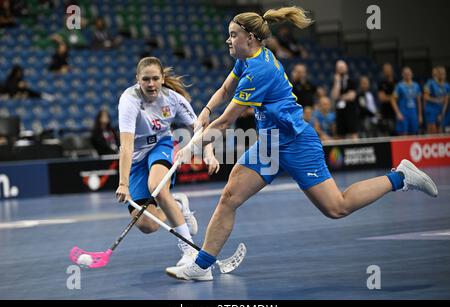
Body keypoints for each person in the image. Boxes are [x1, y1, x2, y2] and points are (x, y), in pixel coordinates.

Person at [165, 6, 438, 281]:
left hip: (296, 142)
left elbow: (226, 123)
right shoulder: (248, 57)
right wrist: (206, 111)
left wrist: (191, 147)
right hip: (268, 142)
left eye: (233, 35)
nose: (228, 40)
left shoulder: (259, 70)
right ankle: (201, 267)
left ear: (249, 38)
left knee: (337, 207)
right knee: (229, 198)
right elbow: (225, 90)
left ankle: (400, 177)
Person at [114, 57, 220, 267]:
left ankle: (189, 250)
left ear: (162, 78)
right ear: (138, 79)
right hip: (136, 155)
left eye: (155, 78)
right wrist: (123, 184)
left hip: (161, 145)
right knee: (147, 225)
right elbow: (126, 145)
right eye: (146, 79)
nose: (151, 84)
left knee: (157, 187)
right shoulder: (129, 100)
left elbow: (198, 127)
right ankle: (179, 207)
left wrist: (208, 152)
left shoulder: (174, 99)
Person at [391, 67, 422, 135]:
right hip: (403, 113)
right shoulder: (399, 86)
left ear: (412, 74)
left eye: (409, 73)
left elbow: (419, 101)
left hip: (413, 113)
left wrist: (420, 115)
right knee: (403, 134)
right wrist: (398, 113)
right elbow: (393, 100)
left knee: (414, 133)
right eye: (405, 73)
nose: (407, 75)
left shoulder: (416, 85)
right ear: (403, 75)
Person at [331, 60, 358, 140]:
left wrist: (340, 97)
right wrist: (338, 81)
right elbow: (335, 96)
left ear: (346, 68)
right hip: (339, 111)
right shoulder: (335, 81)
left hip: (350, 111)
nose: (341, 69)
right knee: (340, 135)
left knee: (353, 133)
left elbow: (352, 96)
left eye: (342, 67)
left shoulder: (351, 81)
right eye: (339, 68)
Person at [424, 66, 449, 134]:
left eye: (444, 73)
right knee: (432, 131)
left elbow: (446, 100)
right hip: (431, 110)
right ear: (437, 74)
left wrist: (443, 112)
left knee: (440, 131)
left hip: (440, 110)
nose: (443, 75)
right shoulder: (430, 83)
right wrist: (436, 100)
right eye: (440, 73)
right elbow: (425, 97)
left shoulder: (447, 85)